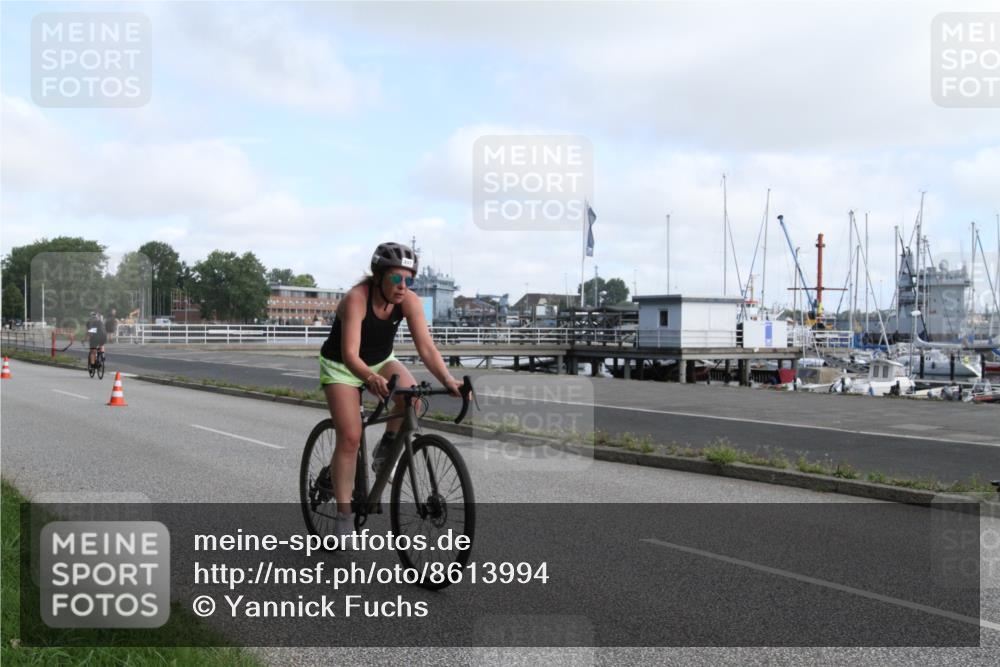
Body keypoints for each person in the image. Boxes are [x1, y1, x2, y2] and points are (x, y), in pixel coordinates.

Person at [317, 242, 461, 539]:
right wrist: (368, 378)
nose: (403, 286)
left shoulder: (408, 300)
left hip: (381, 360)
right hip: (342, 366)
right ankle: (344, 514)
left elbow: (426, 348)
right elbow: (350, 355)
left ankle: (387, 447)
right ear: (379, 275)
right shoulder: (356, 299)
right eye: (396, 278)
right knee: (351, 437)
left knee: (413, 399)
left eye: (409, 280)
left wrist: (449, 380)